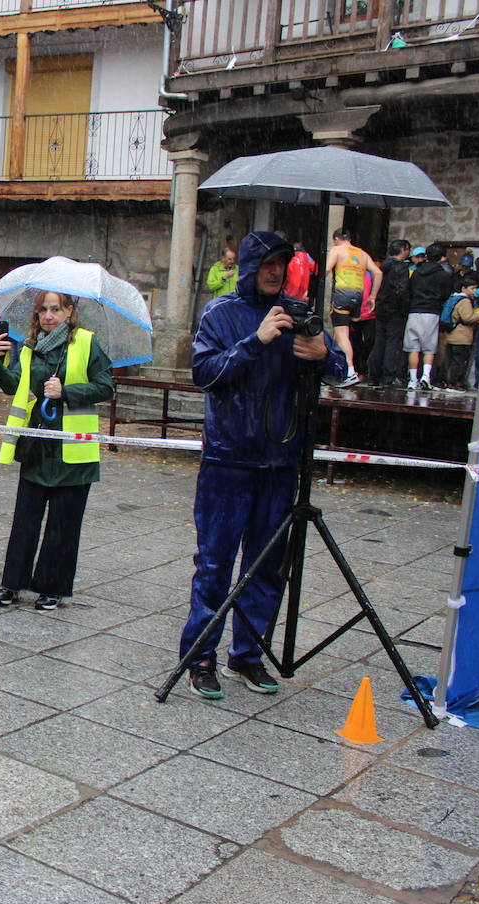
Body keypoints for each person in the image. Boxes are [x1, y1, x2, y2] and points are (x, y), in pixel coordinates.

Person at [179, 231, 346, 700]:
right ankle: (200, 657)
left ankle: (247, 654)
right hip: (228, 460)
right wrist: (255, 341)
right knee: (214, 563)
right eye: (267, 263)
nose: (275, 271)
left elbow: (342, 374)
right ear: (251, 266)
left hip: (281, 462)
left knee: (267, 566)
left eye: (281, 264)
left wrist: (323, 352)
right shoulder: (220, 313)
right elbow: (205, 374)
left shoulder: (299, 313)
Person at [0, 291, 113, 611]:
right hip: (37, 447)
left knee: (63, 524)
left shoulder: (86, 342)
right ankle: (12, 583)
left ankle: (53, 587)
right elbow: (15, 385)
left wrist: (66, 391)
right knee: (24, 521)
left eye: (55, 309)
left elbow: (105, 386)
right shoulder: (30, 348)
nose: (48, 315)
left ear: (70, 311)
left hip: (73, 452)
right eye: (43, 309)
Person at [324, 228, 381, 387]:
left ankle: (350, 371)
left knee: (341, 334)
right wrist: (372, 296)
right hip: (358, 297)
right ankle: (339, 368)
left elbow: (327, 269)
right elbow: (378, 273)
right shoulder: (362, 253)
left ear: (336, 239)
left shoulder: (337, 249)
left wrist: (314, 285)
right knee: (344, 334)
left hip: (342, 295)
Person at [405, 243, 450, 391]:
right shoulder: (442, 274)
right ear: (441, 257)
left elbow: (409, 290)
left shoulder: (417, 272)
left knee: (413, 347)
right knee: (429, 347)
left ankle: (412, 380)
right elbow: (446, 293)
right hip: (432, 311)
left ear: (426, 256)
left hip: (414, 310)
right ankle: (425, 376)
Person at [369, 240, 412, 388]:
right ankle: (388, 376)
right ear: (403, 250)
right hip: (394, 309)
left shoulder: (383, 266)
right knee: (392, 342)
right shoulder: (401, 267)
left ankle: (374, 375)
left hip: (381, 307)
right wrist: (404, 309)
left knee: (379, 341)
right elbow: (402, 290)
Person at [441, 276, 479, 391]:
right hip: (461, 336)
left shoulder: (454, 298)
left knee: (449, 360)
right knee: (458, 361)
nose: (474, 291)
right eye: (472, 288)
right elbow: (467, 318)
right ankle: (452, 383)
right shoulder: (464, 301)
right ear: (464, 288)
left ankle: (446, 382)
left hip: (452, 335)